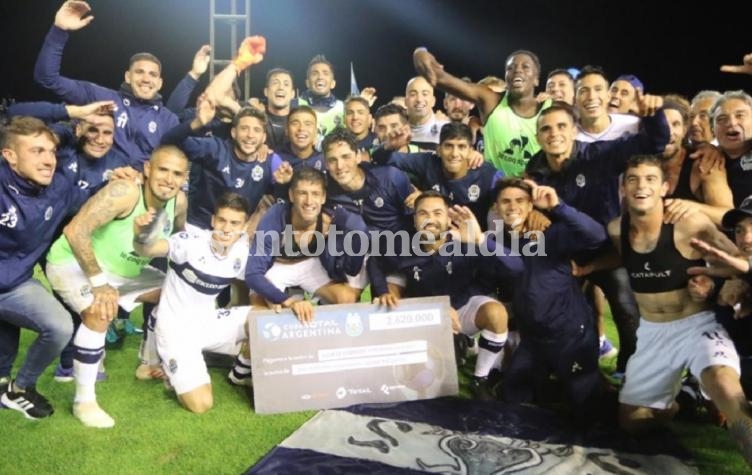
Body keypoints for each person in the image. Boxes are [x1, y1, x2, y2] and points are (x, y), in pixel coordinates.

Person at [607, 154, 752, 464]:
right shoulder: (616, 230)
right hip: (652, 332)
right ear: (623, 188)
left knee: (726, 389)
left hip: (697, 324)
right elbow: (628, 261)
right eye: (632, 179)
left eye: (650, 179)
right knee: (631, 422)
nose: (640, 186)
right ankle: (683, 401)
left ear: (665, 187)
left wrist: (721, 287)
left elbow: (736, 261)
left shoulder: (689, 223)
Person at [44, 145, 188, 428]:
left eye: (177, 174)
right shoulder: (125, 191)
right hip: (73, 264)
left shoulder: (179, 201)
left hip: (125, 274)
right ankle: (83, 402)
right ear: (147, 169)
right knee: (100, 311)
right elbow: (75, 231)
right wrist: (100, 284)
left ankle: (148, 362)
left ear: (184, 178)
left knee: (178, 293)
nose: (169, 179)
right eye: (163, 170)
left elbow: (181, 236)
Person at [525, 100, 668, 375]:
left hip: (604, 250)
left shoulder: (599, 154)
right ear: (538, 137)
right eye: (546, 129)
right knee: (545, 305)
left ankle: (630, 368)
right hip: (563, 254)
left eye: (561, 126)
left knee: (626, 306)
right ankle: (558, 365)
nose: (554, 133)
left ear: (574, 130)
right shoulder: (535, 169)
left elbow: (653, 144)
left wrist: (654, 116)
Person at [369, 191, 522, 399]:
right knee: (422, 379)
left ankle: (481, 378)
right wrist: (383, 290)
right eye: (423, 213)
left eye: (437, 213)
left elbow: (517, 268)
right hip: (423, 312)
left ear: (448, 218)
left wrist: (481, 241)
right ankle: (461, 345)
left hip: (461, 307)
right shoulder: (401, 244)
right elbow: (374, 261)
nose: (430, 219)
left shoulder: (467, 242)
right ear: (414, 220)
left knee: (496, 313)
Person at [492, 178, 608, 424]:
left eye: (520, 201)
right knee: (512, 395)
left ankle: (589, 381)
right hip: (533, 340)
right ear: (496, 207)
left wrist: (558, 207)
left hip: (570, 336)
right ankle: (562, 379)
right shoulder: (497, 241)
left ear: (531, 206)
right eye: (506, 201)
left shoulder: (551, 233)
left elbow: (597, 236)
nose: (513, 207)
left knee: (588, 409)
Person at [0, 117, 89, 420]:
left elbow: (91, 200)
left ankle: (20, 388)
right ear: (9, 156)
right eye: (37, 151)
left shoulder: (58, 187)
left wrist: (120, 181)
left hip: (15, 284)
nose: (48, 159)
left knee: (60, 326)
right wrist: (68, 108)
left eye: (51, 152)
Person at [132, 192, 252, 413]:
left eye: (235, 223)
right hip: (176, 332)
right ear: (213, 220)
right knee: (201, 405)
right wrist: (141, 237)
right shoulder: (190, 243)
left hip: (208, 324)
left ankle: (240, 374)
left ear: (244, 227)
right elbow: (148, 249)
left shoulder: (242, 251)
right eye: (222, 221)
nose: (227, 229)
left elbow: (251, 286)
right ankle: (163, 360)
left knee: (262, 318)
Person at [34, 1, 179, 169]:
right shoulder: (101, 97)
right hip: (97, 185)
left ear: (160, 83)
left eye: (152, 74)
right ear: (128, 76)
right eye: (139, 72)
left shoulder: (168, 119)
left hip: (142, 189)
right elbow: (47, 78)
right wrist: (59, 30)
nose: (146, 79)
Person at [245, 168, 368, 321]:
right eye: (302, 193)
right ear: (291, 195)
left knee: (346, 299)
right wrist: (288, 301)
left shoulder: (331, 218)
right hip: (277, 267)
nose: (309, 201)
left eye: (315, 194)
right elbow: (252, 274)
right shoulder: (276, 217)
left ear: (323, 197)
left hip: (309, 264)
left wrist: (349, 268)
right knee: (261, 309)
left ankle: (324, 333)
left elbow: (360, 230)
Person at [413, 48, 551, 176]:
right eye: (510, 68)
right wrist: (420, 52)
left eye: (525, 67)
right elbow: (441, 78)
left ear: (537, 79)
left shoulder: (552, 108)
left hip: (534, 194)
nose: (517, 70)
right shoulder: (491, 100)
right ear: (506, 76)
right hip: (495, 193)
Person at [373, 122, 503, 226]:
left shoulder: (488, 174)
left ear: (471, 151)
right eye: (448, 146)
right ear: (438, 150)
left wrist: (426, 200)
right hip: (436, 237)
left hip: (475, 243)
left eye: (461, 147)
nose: (454, 154)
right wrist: (388, 146)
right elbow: (381, 158)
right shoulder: (427, 161)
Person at [297, 55, 344, 145]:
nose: (320, 77)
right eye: (315, 73)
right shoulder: (294, 105)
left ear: (333, 83)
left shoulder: (343, 108)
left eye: (325, 73)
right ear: (307, 83)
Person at [404, 76, 448, 151]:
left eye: (425, 94)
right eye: (413, 94)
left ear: (433, 101)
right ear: (406, 101)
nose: (419, 99)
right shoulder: (398, 130)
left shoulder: (445, 129)